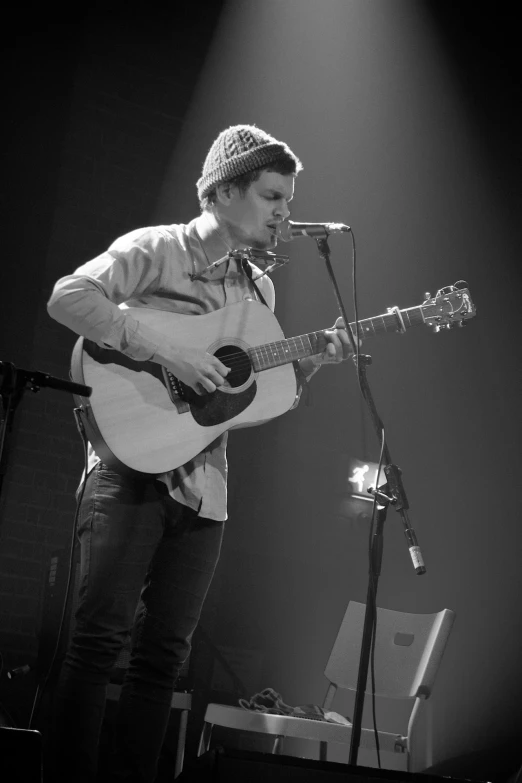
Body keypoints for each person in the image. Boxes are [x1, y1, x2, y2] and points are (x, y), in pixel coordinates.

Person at [46, 124, 353, 783]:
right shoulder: (156, 250)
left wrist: (317, 357)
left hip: (204, 486)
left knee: (163, 661)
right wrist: (171, 350)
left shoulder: (259, 292)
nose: (284, 213)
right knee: (98, 645)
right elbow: (69, 296)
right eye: (272, 196)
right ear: (223, 193)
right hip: (126, 467)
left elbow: (256, 395)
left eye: (288, 200)